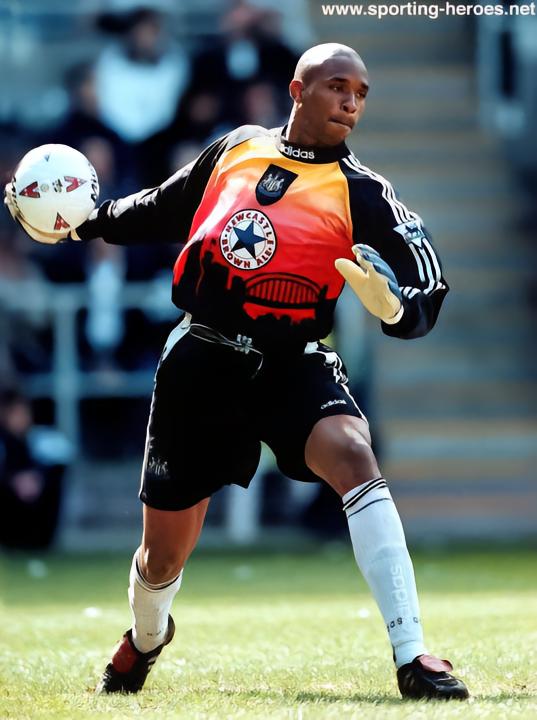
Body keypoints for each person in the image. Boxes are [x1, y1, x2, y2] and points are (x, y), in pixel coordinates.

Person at [4, 43, 469, 701]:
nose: (350, 103)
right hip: (200, 358)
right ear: (297, 90)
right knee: (162, 556)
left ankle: (411, 653)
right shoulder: (236, 147)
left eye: (360, 94)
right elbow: (164, 207)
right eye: (337, 86)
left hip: (292, 361)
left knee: (354, 454)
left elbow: (429, 286)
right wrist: (83, 226)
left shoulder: (365, 193)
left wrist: (397, 308)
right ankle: (147, 637)